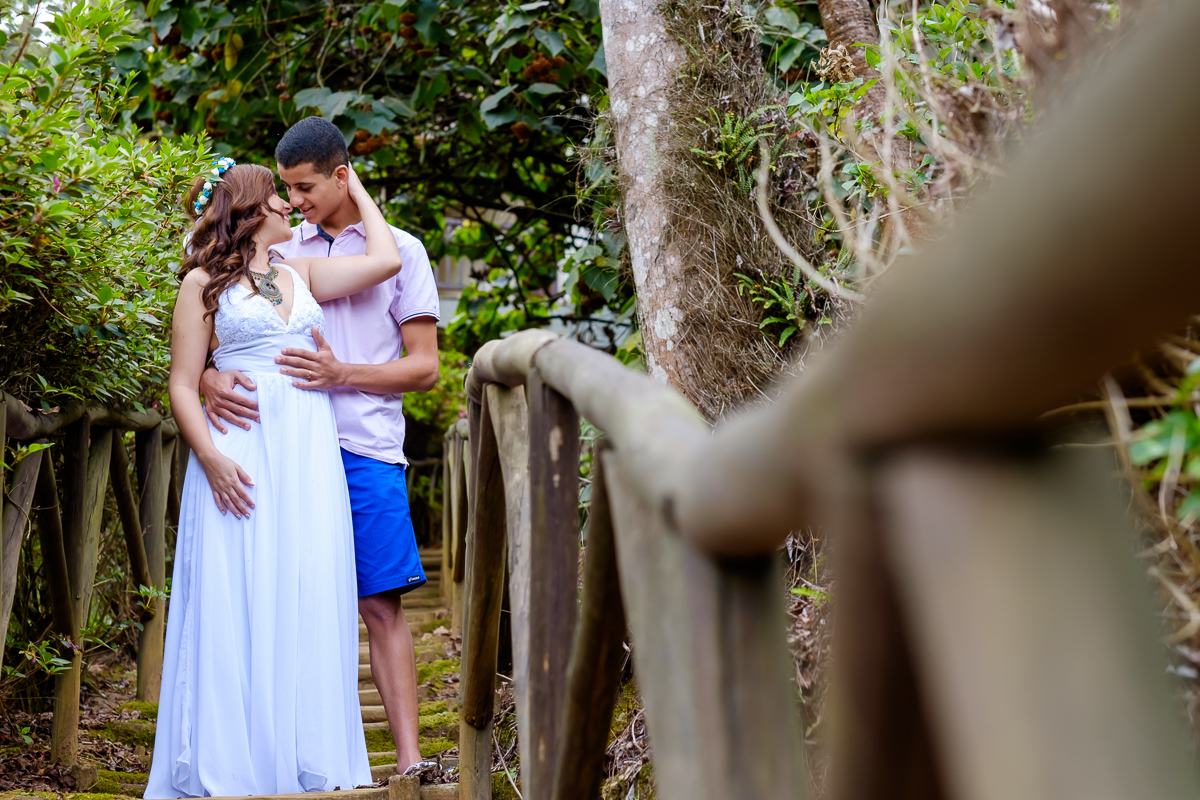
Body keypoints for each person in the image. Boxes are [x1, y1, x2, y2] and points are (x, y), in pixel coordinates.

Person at [144, 158, 400, 797]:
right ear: (252, 211)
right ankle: (234, 761)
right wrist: (209, 456)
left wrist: (354, 183)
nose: (292, 205)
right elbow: (180, 384)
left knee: (305, 583)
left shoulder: (303, 272)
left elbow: (386, 260)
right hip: (240, 452)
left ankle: (301, 752)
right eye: (278, 198)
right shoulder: (201, 283)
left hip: (307, 453)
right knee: (240, 589)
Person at [198, 116, 441, 774]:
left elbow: (425, 369)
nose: (294, 200)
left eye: (305, 187)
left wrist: (344, 376)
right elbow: (211, 322)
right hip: (278, 449)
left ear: (341, 177)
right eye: (285, 190)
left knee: (379, 601)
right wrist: (207, 372)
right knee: (283, 594)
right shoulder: (277, 253)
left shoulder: (402, 250)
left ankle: (410, 762)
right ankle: (282, 752)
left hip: (361, 444)